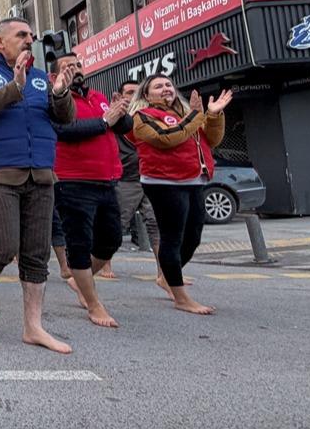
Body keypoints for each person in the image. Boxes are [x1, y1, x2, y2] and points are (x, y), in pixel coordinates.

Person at [0, 18, 75, 354]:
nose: (29, 39)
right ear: (0, 43)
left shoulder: (43, 78)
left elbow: (65, 119)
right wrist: (15, 86)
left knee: (37, 253)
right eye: (21, 35)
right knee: (3, 245)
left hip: (40, 173)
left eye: (31, 35)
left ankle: (33, 326)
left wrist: (60, 92)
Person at [129, 75, 232, 315]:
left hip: (194, 179)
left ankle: (168, 276)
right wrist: (196, 116)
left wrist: (214, 115)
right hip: (163, 182)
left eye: (168, 85)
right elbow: (165, 139)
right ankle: (180, 297)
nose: (165, 88)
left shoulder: (187, 114)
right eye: (158, 86)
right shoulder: (142, 117)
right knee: (172, 237)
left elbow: (212, 140)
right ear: (146, 95)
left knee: (193, 236)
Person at [49, 54, 131, 329]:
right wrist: (105, 121)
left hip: (107, 178)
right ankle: (94, 304)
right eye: (67, 67)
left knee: (112, 240)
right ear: (55, 75)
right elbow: (63, 130)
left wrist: (122, 111)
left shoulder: (98, 97)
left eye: (78, 65)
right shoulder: (56, 99)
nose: (75, 70)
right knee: (79, 244)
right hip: (73, 181)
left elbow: (123, 128)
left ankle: (78, 281)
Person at [97, 79, 170, 289]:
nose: (133, 95)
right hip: (125, 179)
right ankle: (104, 264)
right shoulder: (116, 116)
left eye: (137, 91)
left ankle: (163, 273)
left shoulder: (151, 116)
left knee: (157, 224)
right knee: (116, 224)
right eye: (129, 92)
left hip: (151, 176)